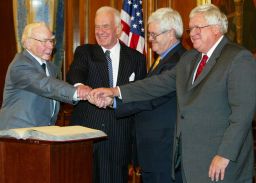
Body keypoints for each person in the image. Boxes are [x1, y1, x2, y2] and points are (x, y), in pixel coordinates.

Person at [90, 4, 256, 183]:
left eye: (198, 28)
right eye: (190, 28)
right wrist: (115, 91)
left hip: (221, 161)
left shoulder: (238, 58)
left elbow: (242, 115)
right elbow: (156, 84)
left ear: (216, 29)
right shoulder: (190, 59)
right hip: (190, 161)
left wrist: (225, 155)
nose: (192, 33)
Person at [66, 6, 146, 183]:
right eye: (97, 27)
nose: (100, 32)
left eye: (105, 26)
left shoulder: (137, 59)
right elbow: (75, 73)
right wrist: (82, 87)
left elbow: (140, 97)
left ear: (118, 29)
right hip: (87, 136)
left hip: (120, 138)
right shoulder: (85, 52)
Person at [115, 8, 185, 183]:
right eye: (150, 34)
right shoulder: (162, 59)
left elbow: (152, 97)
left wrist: (114, 101)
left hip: (164, 152)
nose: (150, 39)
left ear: (171, 34)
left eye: (154, 35)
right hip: (153, 150)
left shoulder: (179, 61)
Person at [0, 22, 90, 130]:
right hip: (18, 135)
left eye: (51, 40)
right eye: (44, 41)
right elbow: (46, 85)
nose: (51, 46)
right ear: (28, 43)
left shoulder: (52, 68)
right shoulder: (20, 64)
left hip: (43, 134)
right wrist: (78, 92)